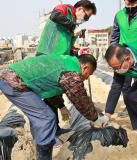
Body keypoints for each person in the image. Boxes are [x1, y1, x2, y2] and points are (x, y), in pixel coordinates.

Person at [0, 54, 108, 160]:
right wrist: (95, 118)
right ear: (85, 67)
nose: (86, 78)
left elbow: (50, 86)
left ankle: (41, 141)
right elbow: (80, 98)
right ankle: (44, 156)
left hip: (15, 79)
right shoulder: (72, 72)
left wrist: (61, 106)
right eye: (89, 74)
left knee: (41, 116)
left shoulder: (67, 62)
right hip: (14, 83)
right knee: (46, 118)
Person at [36, 0, 97, 139]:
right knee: (48, 96)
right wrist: (72, 25)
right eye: (86, 16)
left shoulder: (71, 30)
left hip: (57, 61)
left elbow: (66, 50)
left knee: (53, 93)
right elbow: (55, 16)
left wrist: (77, 52)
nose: (85, 20)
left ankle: (55, 130)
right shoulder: (65, 9)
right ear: (80, 9)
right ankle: (48, 135)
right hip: (46, 56)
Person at [105, 0, 137, 118]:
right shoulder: (119, 15)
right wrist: (113, 56)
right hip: (121, 56)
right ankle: (108, 113)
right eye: (127, 3)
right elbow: (115, 37)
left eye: (132, 3)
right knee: (118, 84)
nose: (130, 5)